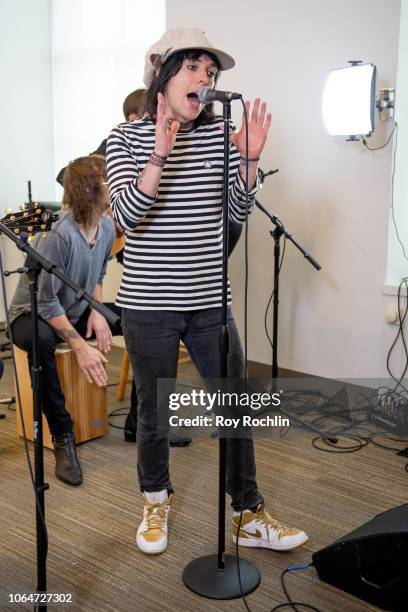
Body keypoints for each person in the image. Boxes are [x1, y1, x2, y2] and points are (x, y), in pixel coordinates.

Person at [107, 26, 309, 555]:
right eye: (194, 67)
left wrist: (247, 164)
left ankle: (246, 511)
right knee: (154, 410)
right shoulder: (124, 139)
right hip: (149, 304)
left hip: (208, 302)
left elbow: (232, 221)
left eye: (211, 72)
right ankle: (155, 499)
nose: (205, 78)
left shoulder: (219, 136)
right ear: (163, 77)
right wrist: (158, 154)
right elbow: (128, 216)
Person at [56, 89, 192, 448]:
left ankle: (142, 421)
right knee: (144, 322)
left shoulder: (167, 144)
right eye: (148, 117)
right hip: (106, 260)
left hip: (121, 255)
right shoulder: (112, 145)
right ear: (135, 117)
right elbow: (65, 177)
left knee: (149, 326)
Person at [9, 155, 119, 486]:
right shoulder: (59, 234)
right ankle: (62, 435)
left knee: (140, 317)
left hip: (72, 307)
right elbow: (44, 300)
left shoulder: (108, 226)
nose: (118, 183)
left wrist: (97, 311)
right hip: (31, 314)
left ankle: (144, 420)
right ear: (92, 190)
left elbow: (99, 272)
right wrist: (78, 345)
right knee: (42, 340)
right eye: (110, 179)